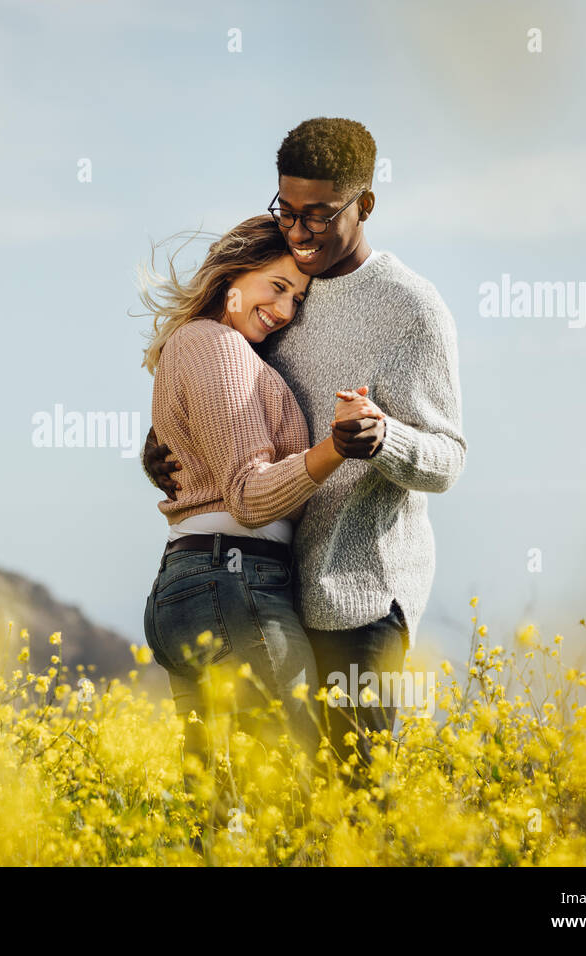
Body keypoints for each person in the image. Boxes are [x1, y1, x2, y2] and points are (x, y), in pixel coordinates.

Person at [143, 117, 466, 774]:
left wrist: (381, 439)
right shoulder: (282, 285)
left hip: (359, 597)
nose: (298, 232)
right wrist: (160, 444)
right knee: (265, 795)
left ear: (364, 205)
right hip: (268, 588)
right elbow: (230, 398)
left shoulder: (411, 308)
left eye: (317, 215)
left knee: (351, 796)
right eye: (285, 212)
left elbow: (448, 458)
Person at [139, 214, 382, 826]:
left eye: (296, 298)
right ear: (233, 279)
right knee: (298, 792)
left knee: (217, 813)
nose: (284, 309)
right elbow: (248, 494)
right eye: (275, 286)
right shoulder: (216, 346)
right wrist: (336, 446)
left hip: (195, 583)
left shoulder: (202, 348)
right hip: (235, 584)